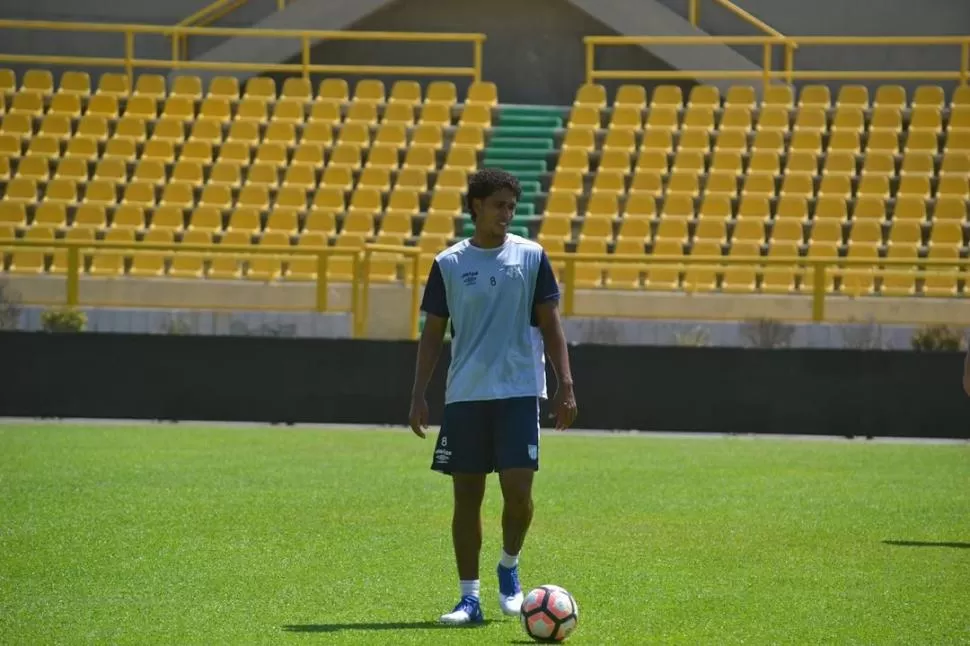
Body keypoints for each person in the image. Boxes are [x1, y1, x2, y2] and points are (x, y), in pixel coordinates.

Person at [408, 168, 578, 626]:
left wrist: (566, 384)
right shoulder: (448, 263)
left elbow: (552, 322)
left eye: (511, 206)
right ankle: (469, 598)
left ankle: (508, 567)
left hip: (520, 389)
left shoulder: (531, 256)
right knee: (466, 497)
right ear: (476, 206)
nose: (507, 213)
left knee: (519, 494)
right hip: (466, 394)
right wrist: (419, 393)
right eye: (499, 204)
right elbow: (433, 333)